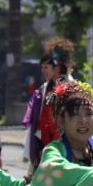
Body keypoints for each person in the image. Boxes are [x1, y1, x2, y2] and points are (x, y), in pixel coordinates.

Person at [27, 37, 77, 177]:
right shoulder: (44, 89)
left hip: (65, 139)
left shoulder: (72, 87)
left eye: (47, 67)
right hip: (45, 141)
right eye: (42, 67)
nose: (43, 71)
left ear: (58, 67)